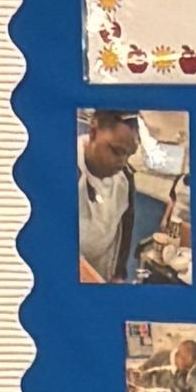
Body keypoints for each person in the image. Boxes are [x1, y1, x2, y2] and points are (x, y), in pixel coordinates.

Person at [78, 108, 140, 283]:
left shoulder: (125, 178)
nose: (122, 162)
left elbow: (125, 225)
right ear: (93, 133)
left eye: (128, 154)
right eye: (116, 151)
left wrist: (119, 273)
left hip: (103, 268)